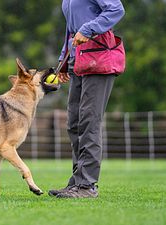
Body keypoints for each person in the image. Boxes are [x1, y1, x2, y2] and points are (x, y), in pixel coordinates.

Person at [49, 0, 125, 198]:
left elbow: (117, 9)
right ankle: (76, 182)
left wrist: (89, 28)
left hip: (98, 59)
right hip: (78, 60)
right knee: (74, 123)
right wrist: (64, 60)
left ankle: (87, 186)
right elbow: (70, 30)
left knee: (89, 122)